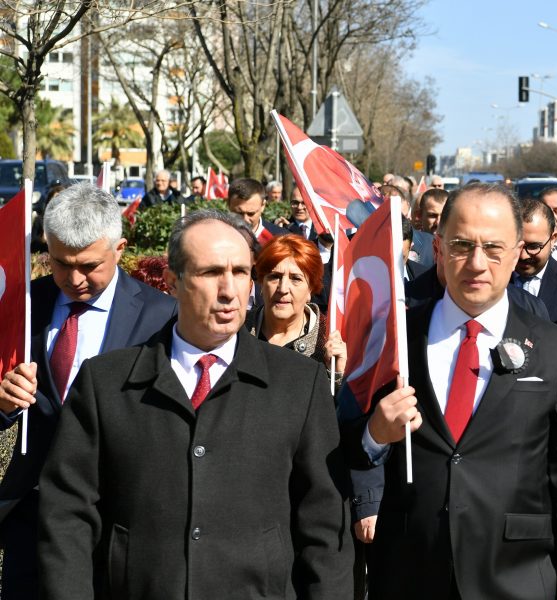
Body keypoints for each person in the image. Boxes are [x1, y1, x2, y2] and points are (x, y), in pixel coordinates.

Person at [38, 210, 353, 599]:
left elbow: (325, 527)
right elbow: (67, 515)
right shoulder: (106, 382)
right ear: (173, 281)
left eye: (240, 272)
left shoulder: (298, 384)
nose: (229, 290)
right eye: (210, 273)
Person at [344, 183, 557, 600]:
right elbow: (344, 452)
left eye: (494, 247)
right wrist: (374, 433)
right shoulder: (395, 338)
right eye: (463, 245)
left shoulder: (554, 348)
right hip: (411, 576)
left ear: (519, 251)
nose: (477, 263)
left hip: (516, 579)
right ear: (440, 247)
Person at [0, 183, 176, 597]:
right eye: (59, 263)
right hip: (32, 516)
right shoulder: (22, 304)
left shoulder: (161, 316)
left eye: (89, 266)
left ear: (119, 249)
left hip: (118, 518)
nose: (73, 279)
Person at [247, 233, 346, 372]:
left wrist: (337, 375)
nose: (282, 289)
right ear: (262, 283)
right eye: (274, 277)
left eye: (295, 279)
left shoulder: (328, 340)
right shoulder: (237, 329)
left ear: (311, 289)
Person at [512, 199, 557, 331]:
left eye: (533, 247)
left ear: (552, 239)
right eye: (517, 245)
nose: (523, 256)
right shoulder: (491, 281)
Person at [227, 177, 288, 243]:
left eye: (251, 213)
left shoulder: (281, 239)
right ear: (229, 204)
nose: (245, 219)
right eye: (239, 213)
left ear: (263, 206)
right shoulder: (218, 235)